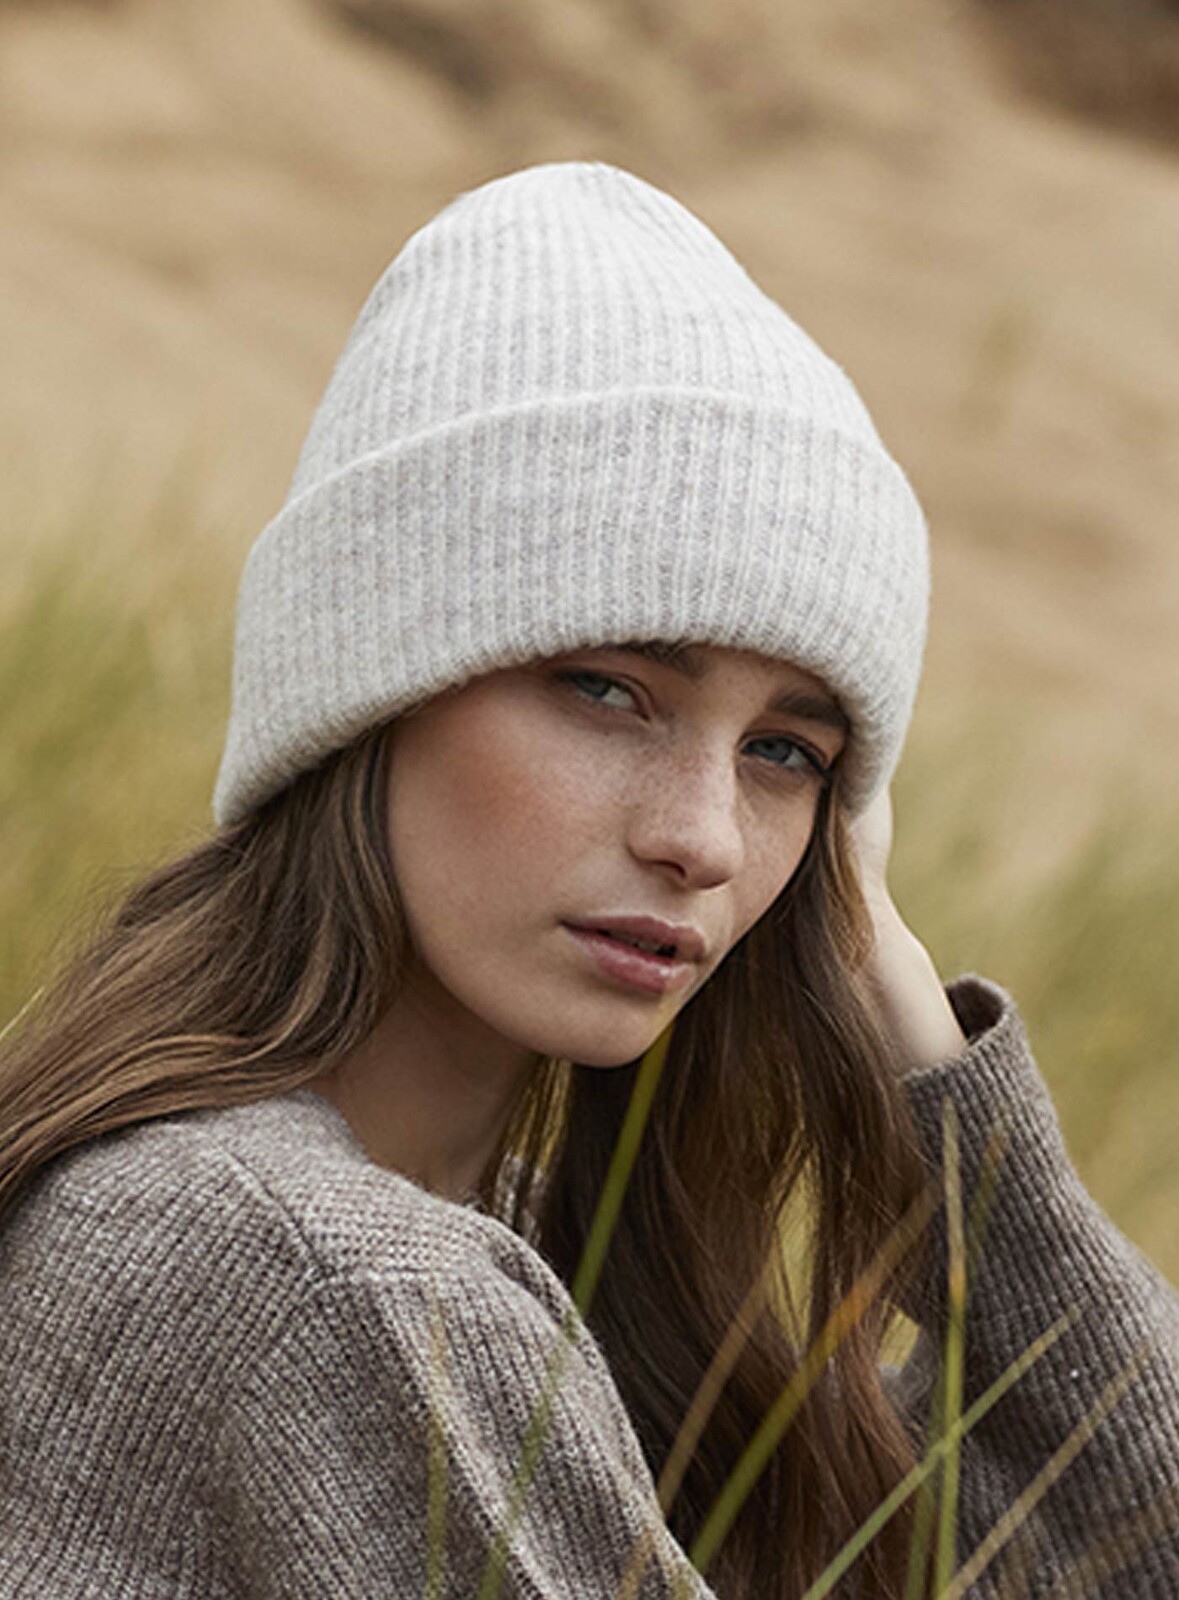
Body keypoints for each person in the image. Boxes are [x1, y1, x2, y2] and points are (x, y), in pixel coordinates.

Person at [0, 161, 1175, 1600]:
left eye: (787, 752)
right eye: (607, 690)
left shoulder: (432, 1231)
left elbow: (1128, 1539)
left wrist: (914, 1027)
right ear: (368, 692)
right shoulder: (342, 1282)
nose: (706, 838)